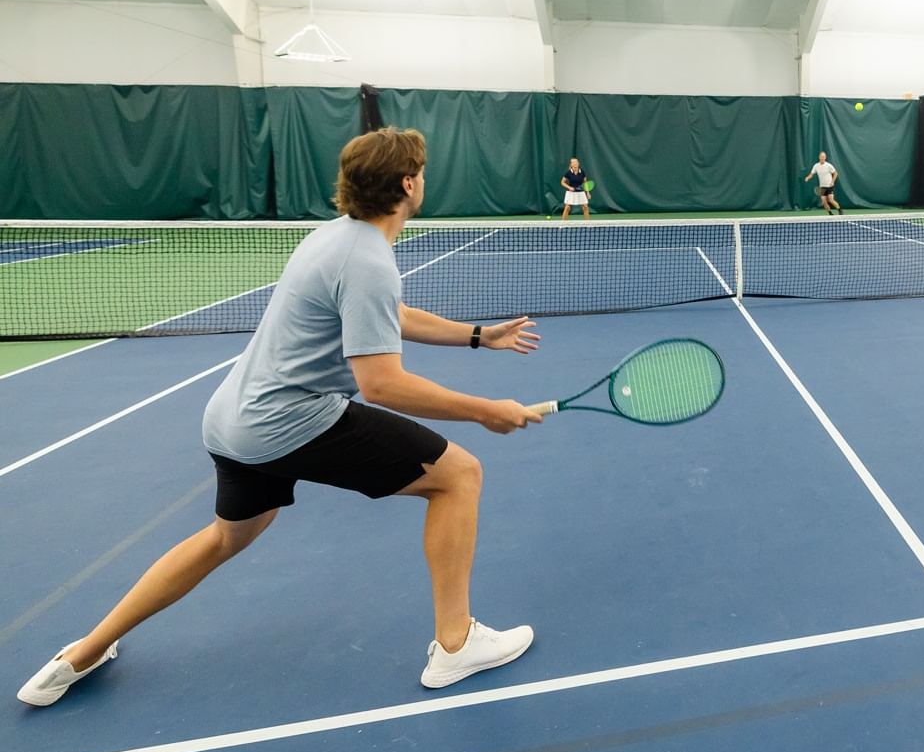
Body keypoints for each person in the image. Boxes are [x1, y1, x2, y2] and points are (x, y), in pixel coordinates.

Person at [18, 128, 545, 707]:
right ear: (408, 184)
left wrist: (475, 336)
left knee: (225, 537)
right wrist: (485, 411)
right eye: (421, 170)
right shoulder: (369, 258)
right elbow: (381, 384)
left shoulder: (335, 238)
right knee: (458, 475)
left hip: (232, 420)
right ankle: (455, 644)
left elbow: (386, 313)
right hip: (289, 422)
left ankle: (83, 652)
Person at [804, 150, 842, 214]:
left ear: (825, 158)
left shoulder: (829, 165)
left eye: (823, 157)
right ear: (819, 157)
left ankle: (840, 210)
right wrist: (807, 177)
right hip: (822, 187)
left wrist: (832, 181)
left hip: (829, 186)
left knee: (831, 200)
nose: (822, 158)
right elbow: (812, 174)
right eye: (821, 157)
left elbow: (835, 173)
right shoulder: (816, 166)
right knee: (824, 201)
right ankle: (830, 214)